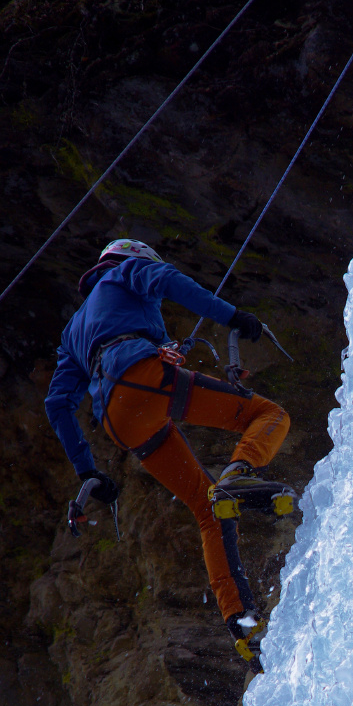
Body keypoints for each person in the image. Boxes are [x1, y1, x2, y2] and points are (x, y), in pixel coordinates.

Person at [45, 237, 292, 662]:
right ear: (135, 257)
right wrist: (233, 316)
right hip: (141, 376)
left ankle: (242, 624)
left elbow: (57, 404)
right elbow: (169, 281)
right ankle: (239, 472)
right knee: (269, 415)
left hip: (120, 421)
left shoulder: (72, 334)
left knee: (209, 509)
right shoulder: (125, 272)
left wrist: (88, 471)